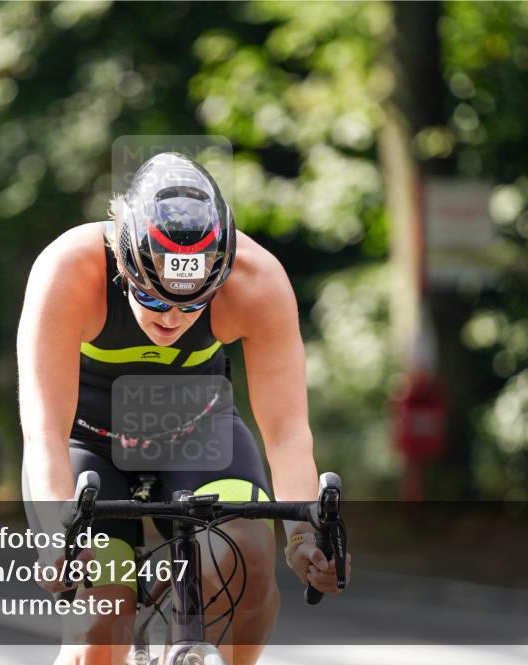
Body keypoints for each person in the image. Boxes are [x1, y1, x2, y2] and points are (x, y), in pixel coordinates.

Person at [18, 153, 351, 665]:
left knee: (251, 559)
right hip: (87, 441)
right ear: (124, 264)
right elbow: (43, 432)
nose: (172, 319)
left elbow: (285, 432)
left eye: (193, 303)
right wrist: (55, 535)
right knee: (100, 621)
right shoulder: (68, 269)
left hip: (199, 433)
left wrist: (303, 537)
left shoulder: (256, 280)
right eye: (152, 299)